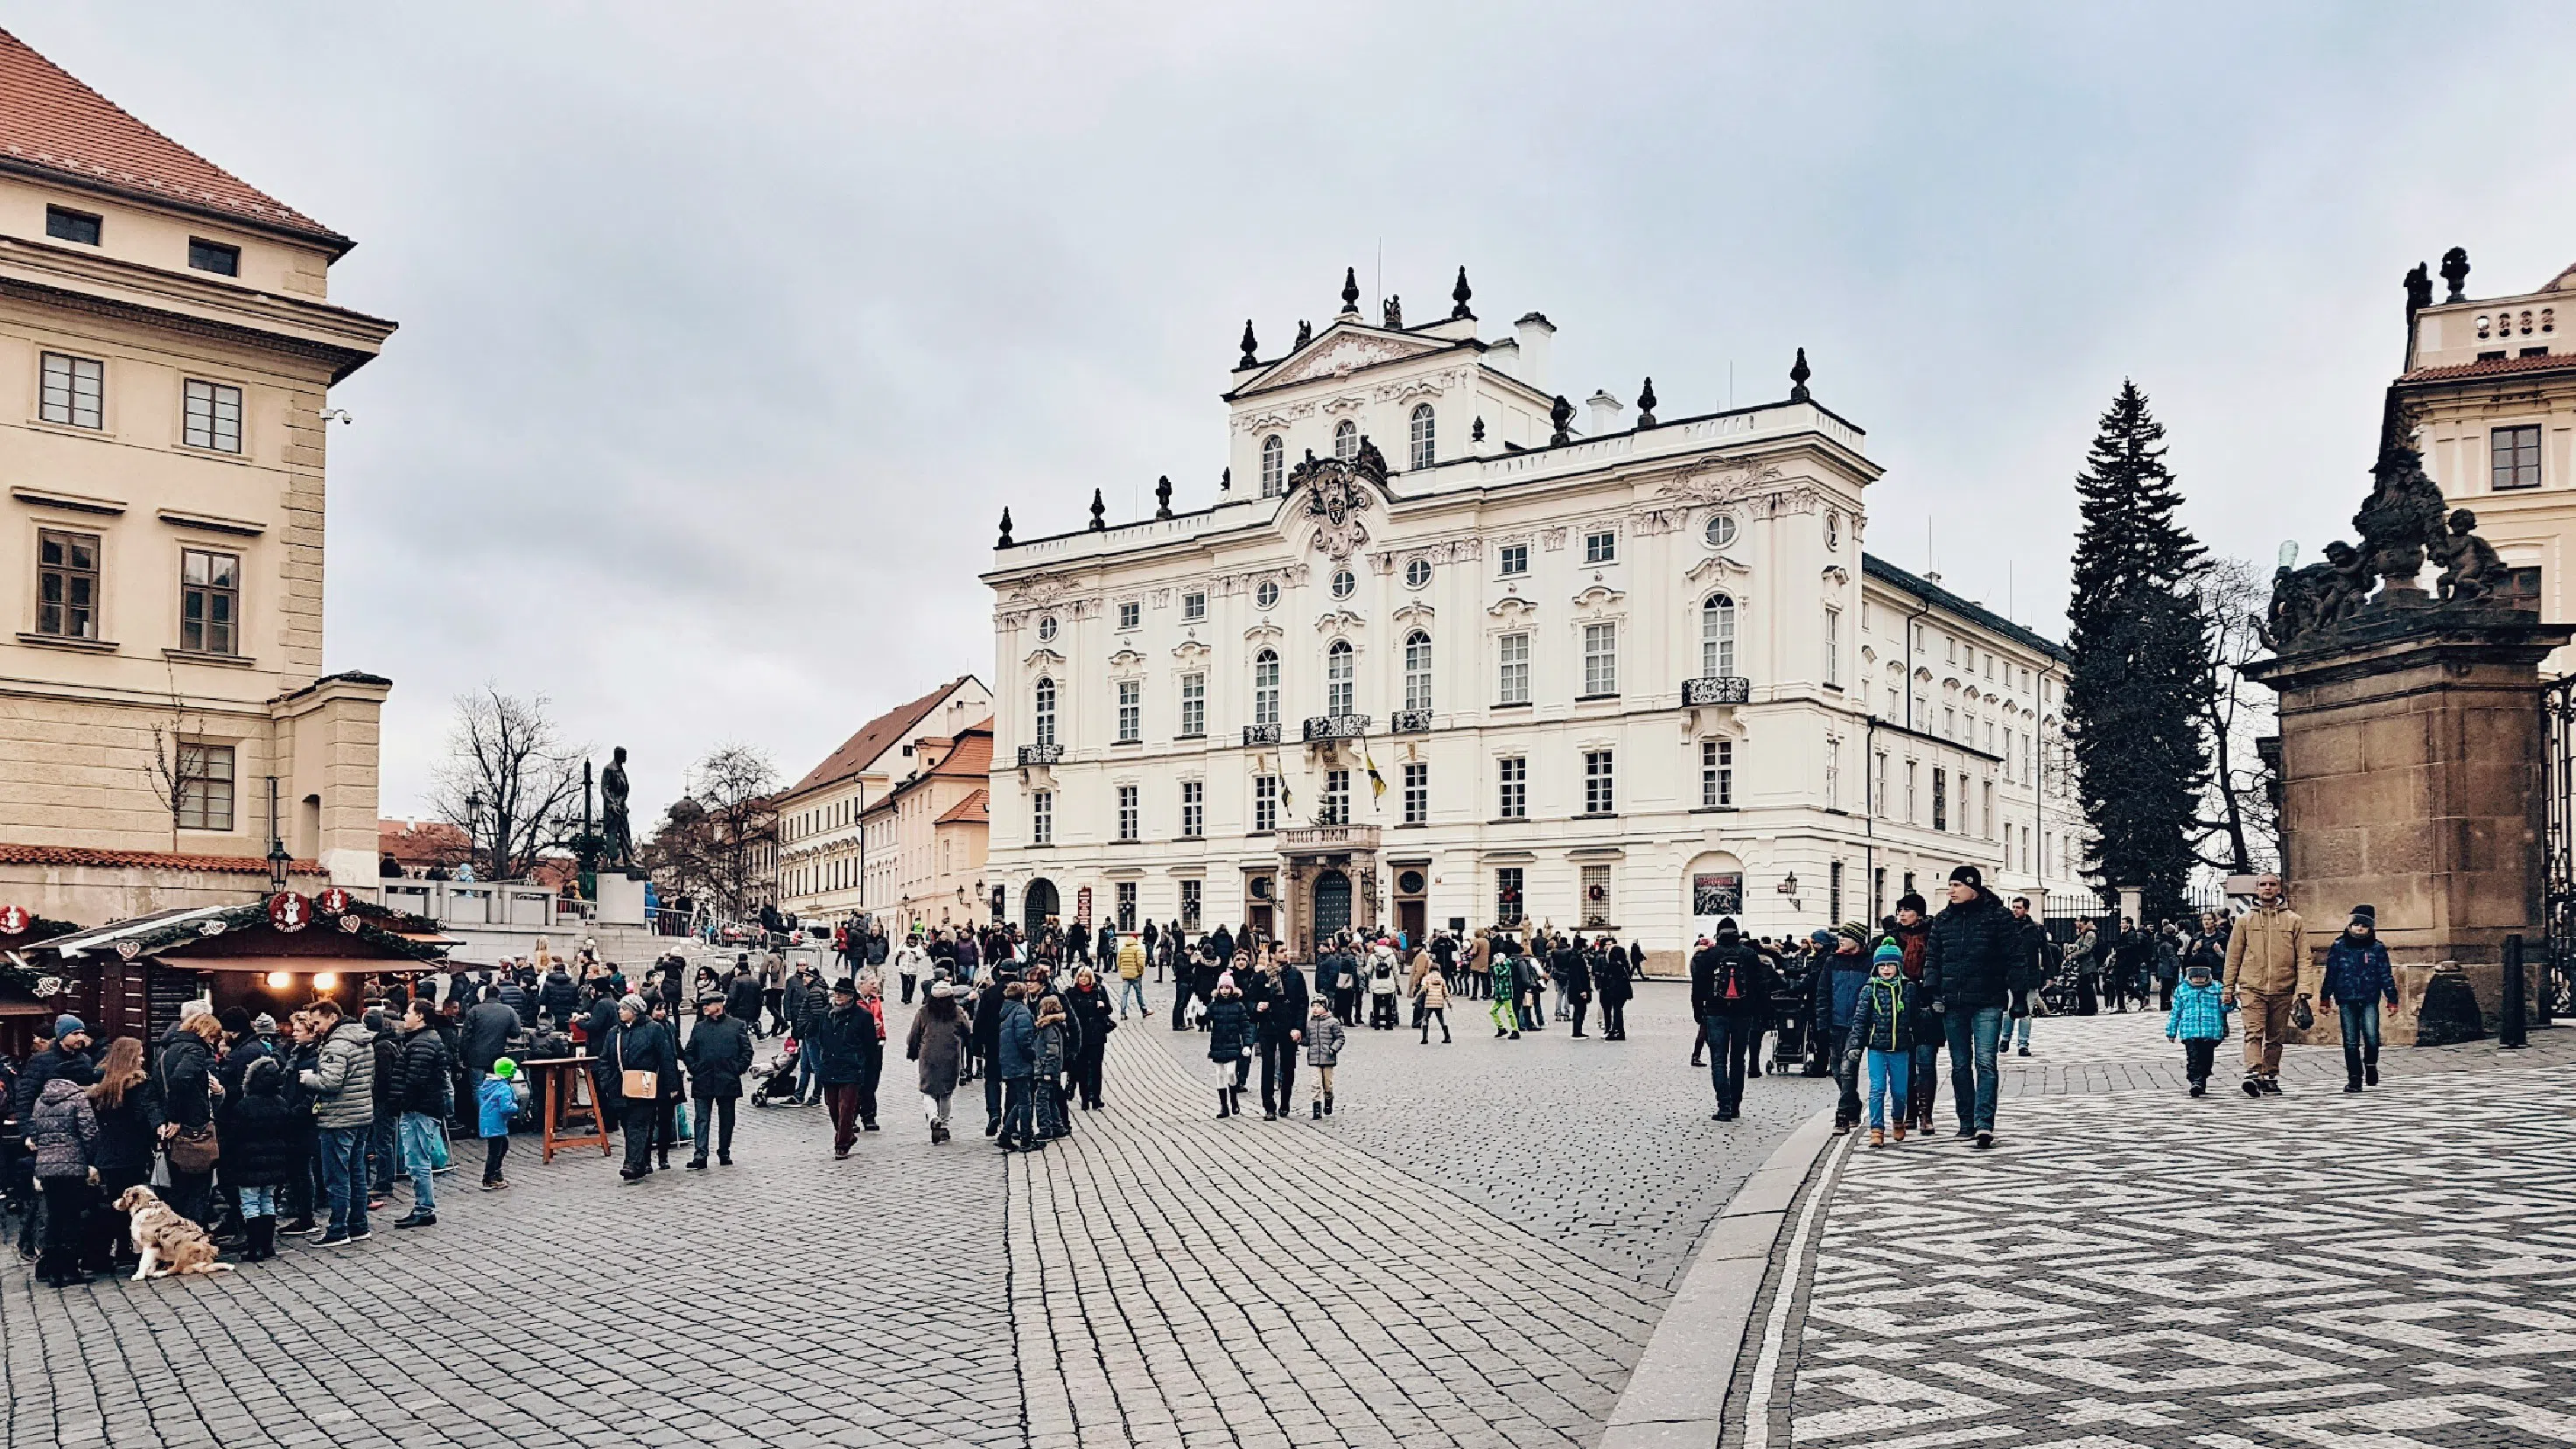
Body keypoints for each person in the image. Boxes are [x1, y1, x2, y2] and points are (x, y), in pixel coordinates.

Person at [1921, 865, 2013, 1149]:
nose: (1951, 891)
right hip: (1953, 1003)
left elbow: (2015, 957)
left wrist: (2019, 997)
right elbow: (1933, 959)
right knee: (1960, 1065)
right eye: (1950, 885)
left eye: (1957, 885)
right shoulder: (1943, 920)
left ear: (1973, 887)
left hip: (1988, 1001)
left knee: (1985, 1062)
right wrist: (1932, 991)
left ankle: (1984, 1124)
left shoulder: (1997, 917)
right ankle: (1966, 1123)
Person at [2222, 872, 2310, 1099]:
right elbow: (2233, 956)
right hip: (2252, 986)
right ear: (2257, 889)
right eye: (2263, 885)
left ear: (2279, 888)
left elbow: (2303, 957)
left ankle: (2270, 1075)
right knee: (2253, 1032)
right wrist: (2228, 987)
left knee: (2275, 1036)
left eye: (2272, 884)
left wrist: (2304, 988)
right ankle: (2252, 1072)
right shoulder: (2244, 921)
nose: (2267, 888)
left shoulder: (2294, 920)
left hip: (2283, 986)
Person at [82, 1038, 161, 1275]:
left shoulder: (100, 1085)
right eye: (139, 1054)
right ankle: (126, 1250)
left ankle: (102, 1252)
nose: (143, 1058)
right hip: (132, 1153)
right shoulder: (139, 1084)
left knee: (112, 1203)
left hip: (106, 1153)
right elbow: (144, 1115)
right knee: (132, 1204)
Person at [1690, 919, 1770, 1121]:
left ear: (1719, 934)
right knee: (1738, 1059)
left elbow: (1698, 987)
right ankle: (1735, 1105)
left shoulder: (1708, 956)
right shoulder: (1750, 955)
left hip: (1715, 1013)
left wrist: (1699, 1012)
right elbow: (1760, 986)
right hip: (1743, 1014)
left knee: (1718, 1060)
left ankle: (1723, 1106)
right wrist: (1759, 1012)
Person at [25, 1069, 98, 1285]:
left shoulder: (41, 1099)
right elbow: (89, 1131)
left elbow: (35, 1131)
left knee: (55, 1216)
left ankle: (52, 1269)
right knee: (72, 1216)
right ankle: (70, 1268)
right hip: (72, 1163)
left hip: (47, 1165)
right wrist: (90, 1156)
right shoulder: (78, 1098)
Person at [2319, 905, 2398, 1093]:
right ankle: (2354, 1079)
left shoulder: (2377, 948)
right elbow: (2331, 973)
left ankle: (2370, 1065)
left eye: (2364, 925)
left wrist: (2391, 998)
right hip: (2346, 998)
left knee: (2371, 1037)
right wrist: (2325, 998)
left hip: (2369, 997)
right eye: (2356, 925)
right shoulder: (2339, 946)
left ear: (2370, 927)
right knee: (2351, 1041)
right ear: (2349, 926)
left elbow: (2385, 974)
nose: (2359, 928)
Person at [158, 1008, 226, 1229]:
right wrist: (177, 1117)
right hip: (193, 1127)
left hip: (173, 1129)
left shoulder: (167, 1050)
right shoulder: (195, 1051)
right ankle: (193, 1236)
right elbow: (181, 1080)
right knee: (199, 1187)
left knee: (178, 1187)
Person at [389, 998, 452, 1228]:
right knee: (416, 1159)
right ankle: (422, 1207)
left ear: (420, 1017)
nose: (405, 1016)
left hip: (419, 1109)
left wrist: (402, 1103)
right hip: (422, 1107)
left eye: (409, 1012)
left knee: (417, 1161)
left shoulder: (422, 1043)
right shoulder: (423, 1040)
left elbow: (416, 1080)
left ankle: (424, 1208)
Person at [228, 1054, 297, 1259]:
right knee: (268, 1200)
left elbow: (235, 1136)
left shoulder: (244, 1106)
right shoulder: (281, 1103)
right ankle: (268, 1245)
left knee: (250, 1203)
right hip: (275, 1161)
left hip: (249, 1162)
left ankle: (254, 1247)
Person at [1848, 940, 1914, 1147]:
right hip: (1876, 1047)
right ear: (1876, 967)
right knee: (1877, 1089)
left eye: (1890, 965)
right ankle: (1876, 1129)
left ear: (1898, 967)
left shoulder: (1908, 988)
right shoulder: (1869, 989)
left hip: (1900, 1048)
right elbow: (1860, 1020)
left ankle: (1897, 1119)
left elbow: (1915, 1017)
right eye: (1882, 966)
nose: (1886, 969)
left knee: (1900, 1091)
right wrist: (1855, 1045)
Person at [598, 995, 672, 1182]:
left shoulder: (653, 1029)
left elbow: (665, 1058)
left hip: (644, 1084)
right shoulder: (614, 1032)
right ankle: (641, 1162)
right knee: (628, 1124)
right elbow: (605, 1059)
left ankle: (631, 1163)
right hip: (620, 1086)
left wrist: (671, 1085)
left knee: (638, 1124)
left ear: (634, 1011)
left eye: (624, 1009)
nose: (620, 1012)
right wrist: (607, 1082)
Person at [808, 978, 879, 1159]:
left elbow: (870, 1046)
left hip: (851, 1068)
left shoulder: (863, 1017)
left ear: (851, 996)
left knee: (846, 1107)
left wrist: (866, 1067)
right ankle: (847, 1135)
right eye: (836, 993)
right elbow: (816, 1034)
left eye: (842, 993)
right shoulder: (826, 1014)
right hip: (829, 1066)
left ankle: (841, 1145)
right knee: (832, 1108)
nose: (838, 996)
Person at [682, 991, 753, 1168]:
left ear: (719, 1005)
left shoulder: (736, 1026)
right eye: (703, 1004)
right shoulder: (699, 1027)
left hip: (727, 1079)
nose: (704, 1008)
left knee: (727, 1118)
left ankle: (724, 1151)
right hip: (703, 1079)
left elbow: (747, 1052)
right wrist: (695, 1068)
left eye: (708, 1004)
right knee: (702, 1118)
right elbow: (689, 1052)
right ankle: (700, 1154)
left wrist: (736, 1069)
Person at [1812, 926, 1870, 1132]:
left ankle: (1843, 1115)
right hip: (1835, 1024)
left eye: (1846, 937)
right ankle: (1853, 1104)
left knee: (1848, 1069)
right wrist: (1822, 1023)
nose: (1841, 940)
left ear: (1857, 940)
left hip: (1858, 1025)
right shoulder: (1832, 961)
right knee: (1837, 1070)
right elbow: (1823, 993)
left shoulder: (1869, 963)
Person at [1889, 897, 1936, 1135]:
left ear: (1919, 913)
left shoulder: (1933, 937)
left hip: (1926, 1004)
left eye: (1908, 910)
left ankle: (1926, 1114)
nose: (1902, 914)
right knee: (1904, 1063)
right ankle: (1909, 1112)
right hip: (1900, 1005)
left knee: (1926, 1062)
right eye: (1900, 910)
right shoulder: (1892, 939)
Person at [908, 983, 968, 1143]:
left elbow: (914, 1034)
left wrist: (912, 1051)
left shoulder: (923, 1012)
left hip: (929, 1055)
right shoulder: (957, 1012)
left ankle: (933, 1117)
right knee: (946, 1092)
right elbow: (967, 1031)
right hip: (950, 1055)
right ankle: (944, 1125)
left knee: (927, 1090)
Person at [1251, 955, 1308, 1120]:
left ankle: (1285, 1103)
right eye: (1282, 950)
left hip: (1288, 1026)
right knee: (1268, 1066)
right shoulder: (1261, 976)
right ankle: (1269, 1106)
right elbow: (1250, 1000)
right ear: (1272, 955)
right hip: (1268, 1025)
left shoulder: (1295, 975)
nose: (1286, 953)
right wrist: (1256, 1006)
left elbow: (1302, 1002)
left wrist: (1299, 1027)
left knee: (1288, 1066)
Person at [2166, 959, 2232, 1096]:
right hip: (2190, 1032)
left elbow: (2225, 1008)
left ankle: (2203, 1078)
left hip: (2211, 1032)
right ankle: (2195, 1081)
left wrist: (2230, 1001)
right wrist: (2171, 1031)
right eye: (2195, 975)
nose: (2198, 979)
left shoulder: (2217, 988)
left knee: (2207, 1059)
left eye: (2202, 975)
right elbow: (2176, 1012)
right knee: (2193, 1057)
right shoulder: (2182, 990)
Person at [2005, 897, 2052, 1059]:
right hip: (2011, 975)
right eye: (2013, 907)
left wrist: (2050, 975)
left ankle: (2023, 1044)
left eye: (2018, 907)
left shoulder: (2036, 929)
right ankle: (2005, 1038)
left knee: (2027, 1012)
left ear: (2026, 909)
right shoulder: (2007, 927)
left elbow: (2046, 952)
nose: (2015, 910)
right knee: (2009, 1009)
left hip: (2031, 974)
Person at [995, 983, 1040, 1150]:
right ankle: (1026, 1139)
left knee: (1021, 1100)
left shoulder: (1006, 1011)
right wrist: (1032, 1055)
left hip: (1009, 1060)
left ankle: (1006, 1134)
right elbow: (1024, 1039)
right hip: (1020, 1061)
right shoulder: (1021, 1011)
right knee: (1025, 1103)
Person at [1064, 967, 1116, 1111]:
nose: (1083, 979)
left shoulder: (1099, 991)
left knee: (1096, 1067)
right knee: (1081, 1067)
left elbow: (1109, 1010)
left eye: (1085, 977)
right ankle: (1085, 1098)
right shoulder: (1071, 993)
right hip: (1080, 1035)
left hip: (1096, 1035)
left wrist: (1103, 1007)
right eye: (1080, 976)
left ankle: (1096, 1097)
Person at [1204, 976, 1252, 1117]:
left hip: (1233, 1044)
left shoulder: (1238, 1006)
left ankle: (1234, 1100)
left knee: (1231, 1072)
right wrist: (1201, 1016)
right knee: (1219, 1074)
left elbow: (1245, 1026)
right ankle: (1223, 1106)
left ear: (1232, 989)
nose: (1225, 991)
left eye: (1227, 988)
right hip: (1218, 1044)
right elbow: (1205, 1020)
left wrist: (1247, 1044)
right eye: (1222, 988)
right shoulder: (1214, 1005)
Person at [476, 1058, 518, 1189]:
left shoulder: (487, 1086)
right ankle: (489, 1177)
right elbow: (505, 1108)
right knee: (496, 1151)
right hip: (496, 1124)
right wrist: (515, 1107)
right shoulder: (504, 1088)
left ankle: (496, 1173)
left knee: (501, 1147)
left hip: (488, 1123)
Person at [1304, 998, 1345, 1119]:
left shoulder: (1333, 1022)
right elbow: (1307, 1040)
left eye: (1318, 1007)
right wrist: (1300, 1040)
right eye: (1313, 1007)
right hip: (1314, 1058)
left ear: (1325, 1008)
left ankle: (1328, 1099)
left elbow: (1340, 1038)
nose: (1315, 1009)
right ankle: (1316, 1106)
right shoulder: (1310, 1024)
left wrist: (1333, 1049)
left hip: (1328, 1058)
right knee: (1315, 1083)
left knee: (1327, 1084)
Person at [1594, 937, 1634, 1041]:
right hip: (1622, 992)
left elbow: (1607, 979)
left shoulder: (1613, 965)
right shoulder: (1623, 964)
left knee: (1616, 1011)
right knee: (1618, 1011)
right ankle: (1618, 1031)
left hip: (1614, 992)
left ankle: (1615, 1031)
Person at [1114, 934, 1152, 1021]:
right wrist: (1140, 972)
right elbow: (1141, 963)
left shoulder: (1122, 950)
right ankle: (1144, 1010)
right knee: (1139, 993)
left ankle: (1123, 1013)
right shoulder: (1138, 949)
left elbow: (1118, 962)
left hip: (1125, 976)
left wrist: (1122, 971)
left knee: (1124, 994)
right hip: (1136, 975)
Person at [1414, 958, 1452, 1044]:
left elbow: (1423, 989)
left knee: (1425, 1019)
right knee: (1442, 1020)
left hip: (1429, 1002)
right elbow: (1446, 992)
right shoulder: (1442, 980)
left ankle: (1425, 1038)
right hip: (1439, 1003)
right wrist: (1449, 1003)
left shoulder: (1426, 978)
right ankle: (1447, 1037)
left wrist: (1416, 998)